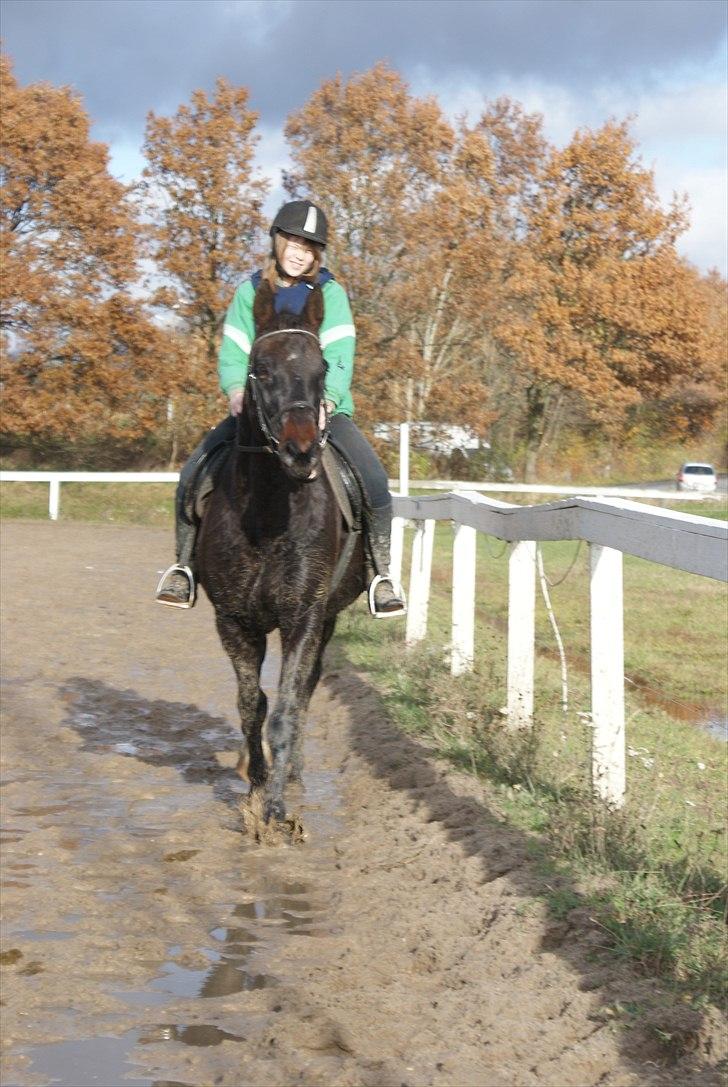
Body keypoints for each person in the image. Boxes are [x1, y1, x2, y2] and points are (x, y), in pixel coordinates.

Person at [156, 199, 406, 618]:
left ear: (317, 254)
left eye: (308, 247)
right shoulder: (250, 292)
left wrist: (329, 400)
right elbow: (234, 351)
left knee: (374, 482)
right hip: (259, 413)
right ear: (276, 240)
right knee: (192, 473)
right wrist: (236, 389)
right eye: (292, 240)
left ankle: (380, 573)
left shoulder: (330, 294)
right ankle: (183, 567)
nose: (298, 251)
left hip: (322, 409)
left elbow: (341, 354)